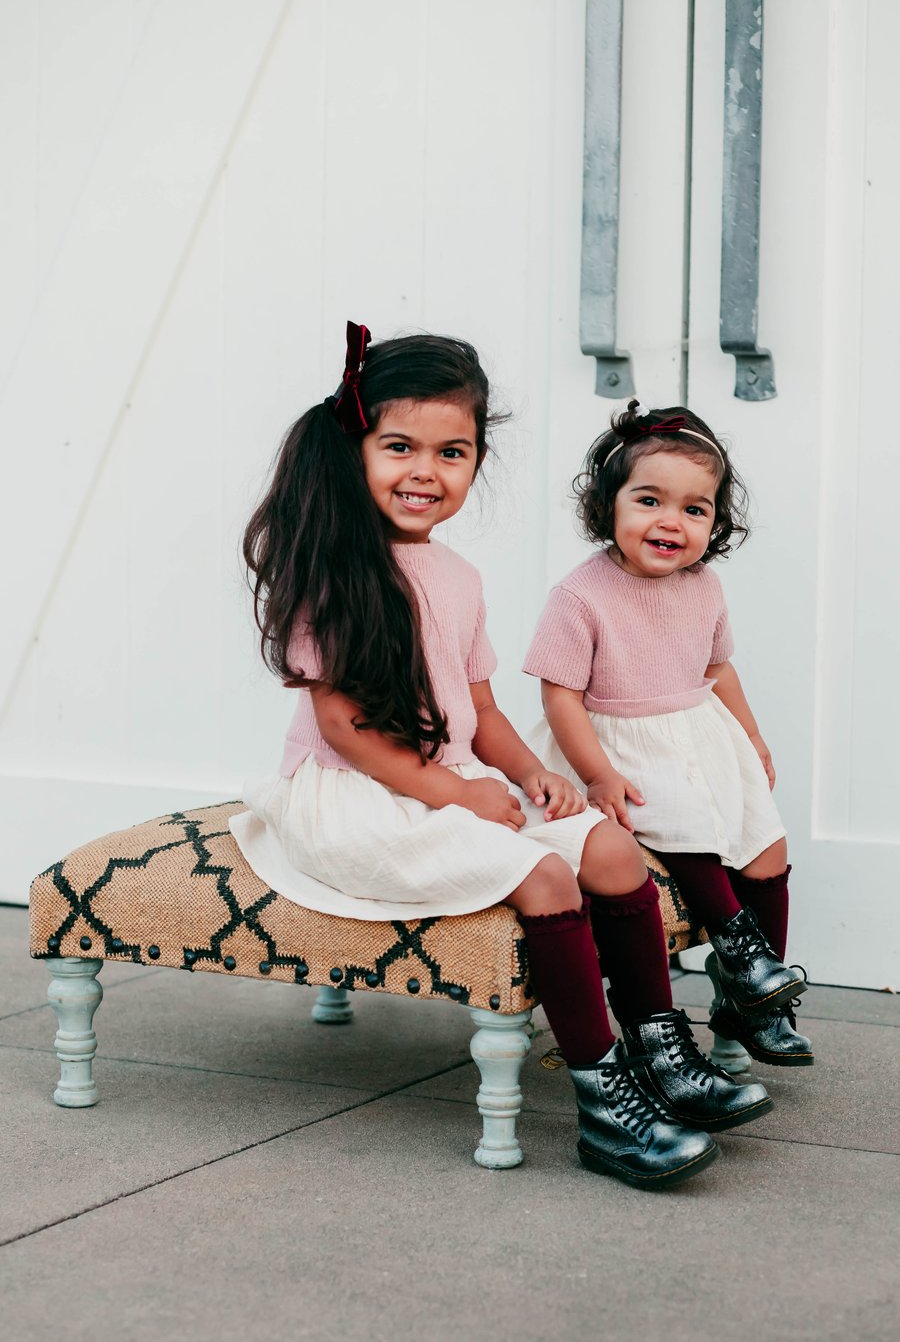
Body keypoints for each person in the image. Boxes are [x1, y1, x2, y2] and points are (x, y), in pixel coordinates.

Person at [231, 325, 772, 1191]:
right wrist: (452, 792)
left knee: (608, 846)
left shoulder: (458, 576)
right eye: (399, 446)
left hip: (446, 784)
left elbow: (479, 710)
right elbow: (345, 730)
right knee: (549, 880)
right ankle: (606, 1106)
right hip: (357, 796)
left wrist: (530, 775)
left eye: (453, 451)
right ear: (354, 448)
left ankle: (658, 1051)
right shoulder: (334, 567)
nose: (425, 471)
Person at [524, 400, 813, 1069]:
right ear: (609, 506)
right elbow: (560, 694)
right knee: (680, 823)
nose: (671, 522)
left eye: (694, 509)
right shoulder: (580, 595)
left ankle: (753, 998)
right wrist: (595, 774)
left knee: (766, 843)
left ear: (715, 522)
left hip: (698, 736)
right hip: (615, 741)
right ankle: (742, 957)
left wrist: (752, 736)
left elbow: (719, 669)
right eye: (649, 500)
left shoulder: (704, 585)